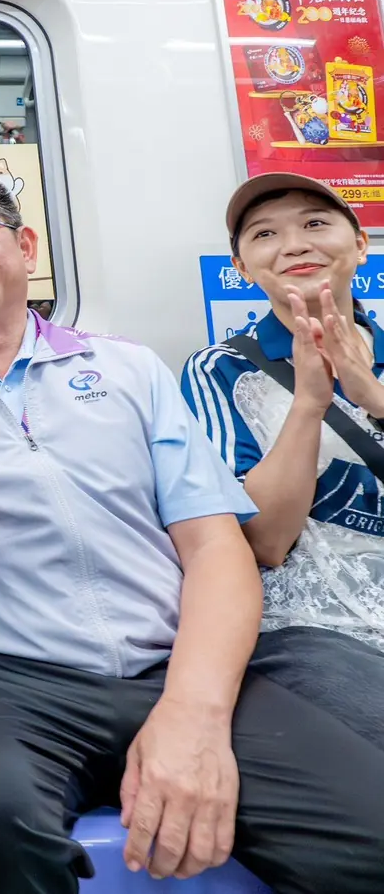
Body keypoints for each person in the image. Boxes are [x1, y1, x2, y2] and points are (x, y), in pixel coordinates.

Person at [0, 167, 384, 894]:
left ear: (24, 244)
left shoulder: (125, 367)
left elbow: (215, 548)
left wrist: (192, 714)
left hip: (164, 659)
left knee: (368, 829)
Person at [182, 172, 384, 752]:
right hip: (315, 636)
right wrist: (309, 404)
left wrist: (371, 398)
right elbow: (264, 541)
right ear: (242, 267)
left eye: (315, 224)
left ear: (362, 243)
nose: (294, 244)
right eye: (265, 233)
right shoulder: (219, 371)